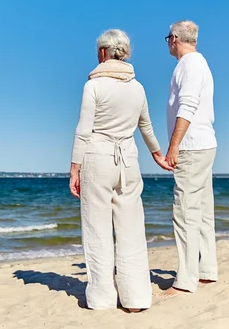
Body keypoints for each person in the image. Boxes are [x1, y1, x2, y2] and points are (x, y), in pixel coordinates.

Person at [69, 29, 172, 312]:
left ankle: (102, 299)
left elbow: (83, 130)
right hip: (128, 160)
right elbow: (146, 126)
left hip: (98, 157)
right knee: (131, 230)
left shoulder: (94, 86)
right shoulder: (137, 87)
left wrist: (74, 168)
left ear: (103, 52)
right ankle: (136, 299)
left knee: (97, 230)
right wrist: (157, 154)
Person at [162, 20, 218, 296]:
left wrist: (174, 146)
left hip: (193, 146)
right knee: (202, 209)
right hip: (203, 144)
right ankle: (207, 270)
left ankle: (186, 279)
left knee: (184, 211)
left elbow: (188, 106)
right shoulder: (198, 63)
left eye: (166, 38)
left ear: (174, 38)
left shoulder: (190, 65)